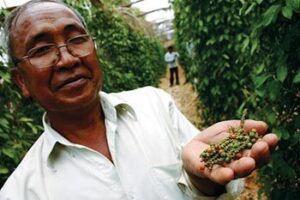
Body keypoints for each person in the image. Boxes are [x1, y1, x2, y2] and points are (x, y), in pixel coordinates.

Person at [0, 0, 278, 199]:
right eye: (42, 49)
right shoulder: (22, 191)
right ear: (21, 81)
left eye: (76, 39)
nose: (68, 59)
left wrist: (201, 181)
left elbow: (212, 176)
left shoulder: (155, 104)